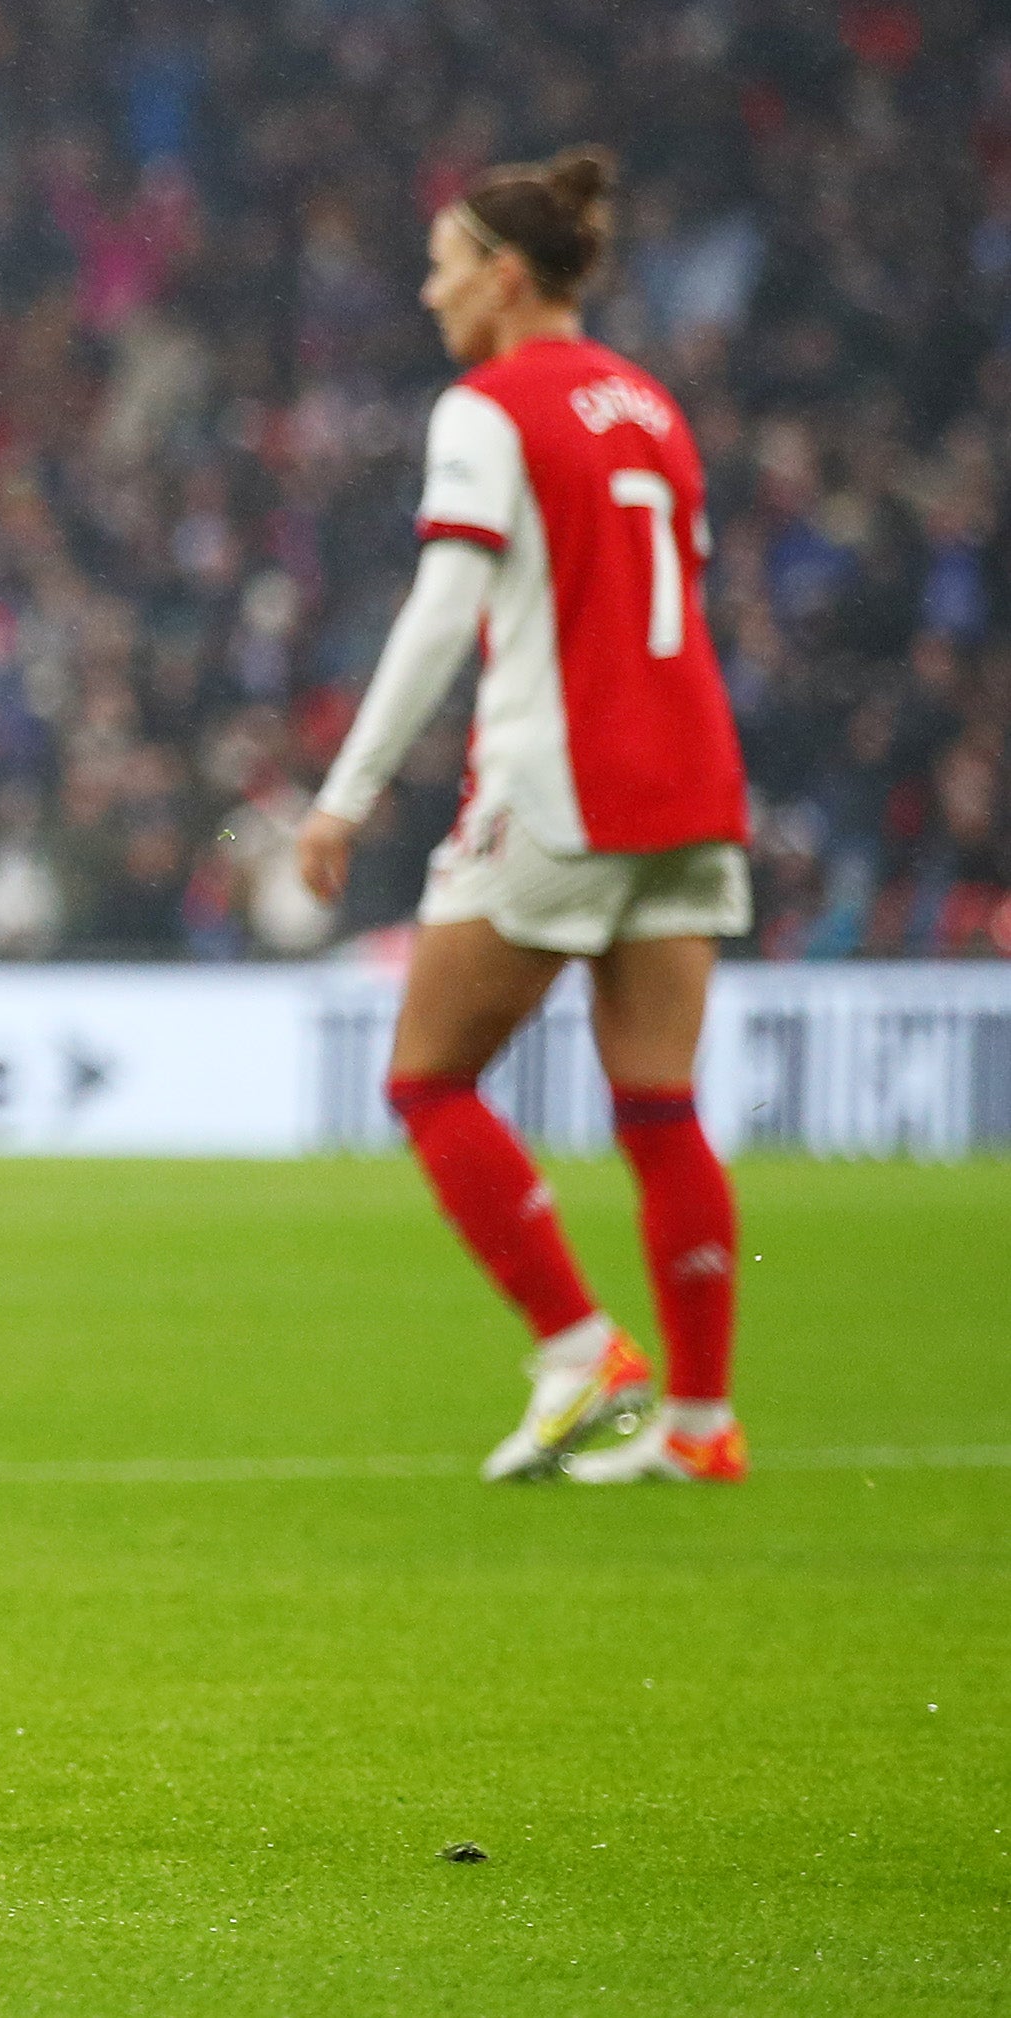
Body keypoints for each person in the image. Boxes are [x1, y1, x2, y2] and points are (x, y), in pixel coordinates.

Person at [294, 148, 749, 1487]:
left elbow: (446, 605)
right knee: (657, 1106)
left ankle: (572, 1348)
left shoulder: (486, 406)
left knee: (426, 1076)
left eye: (441, 267)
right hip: (691, 784)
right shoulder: (650, 407)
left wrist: (341, 795)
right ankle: (699, 1422)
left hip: (561, 784)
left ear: (501, 275)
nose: (427, 292)